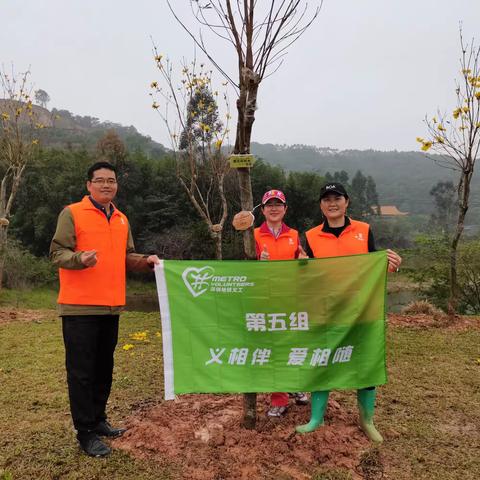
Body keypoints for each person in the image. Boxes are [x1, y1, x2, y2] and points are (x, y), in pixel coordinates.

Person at [50, 161, 160, 457]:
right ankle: (84, 431)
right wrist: (79, 259)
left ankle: (99, 421)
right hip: (79, 307)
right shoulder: (72, 213)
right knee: (81, 372)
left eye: (111, 180)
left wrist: (146, 260)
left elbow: (126, 256)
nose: (106, 185)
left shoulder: (122, 219)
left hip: (111, 307)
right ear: (89, 185)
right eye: (100, 180)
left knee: (103, 368)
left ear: (116, 185)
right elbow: (57, 252)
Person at [296, 182, 402, 442]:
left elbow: (374, 264)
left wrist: (391, 264)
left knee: (365, 364)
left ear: (347, 202)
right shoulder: (310, 236)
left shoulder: (364, 231)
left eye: (337, 198)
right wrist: (299, 265)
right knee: (322, 362)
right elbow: (302, 273)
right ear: (321, 205)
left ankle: (367, 420)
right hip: (326, 311)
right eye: (327, 199)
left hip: (361, 311)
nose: (332, 203)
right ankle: (316, 418)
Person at [254, 189, 309, 417]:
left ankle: (296, 386)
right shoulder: (254, 234)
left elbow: (301, 259)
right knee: (273, 347)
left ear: (285, 209)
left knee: (293, 345)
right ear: (263, 209)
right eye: (269, 205)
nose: (274, 208)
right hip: (265, 300)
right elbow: (245, 267)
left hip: (291, 299)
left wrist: (304, 261)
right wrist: (258, 261)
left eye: (279, 204)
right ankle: (279, 399)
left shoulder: (294, 234)